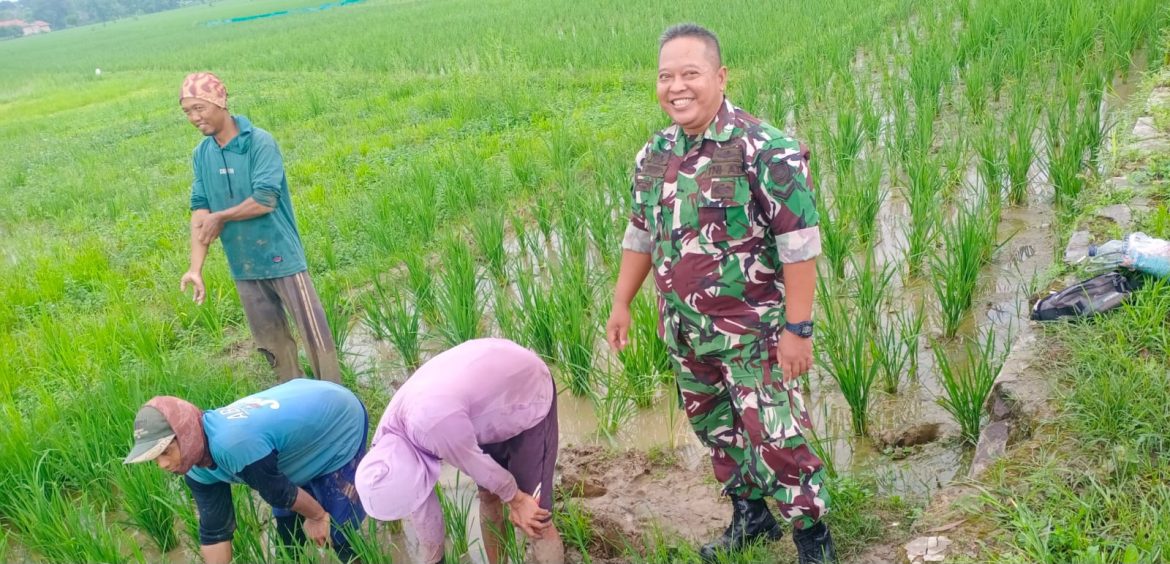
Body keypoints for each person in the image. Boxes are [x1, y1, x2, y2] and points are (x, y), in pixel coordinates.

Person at [604, 23, 836, 564]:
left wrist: (798, 330)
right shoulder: (655, 153)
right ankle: (751, 518)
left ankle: (812, 537)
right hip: (686, 332)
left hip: (753, 334)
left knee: (777, 436)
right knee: (716, 428)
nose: (676, 87)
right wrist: (621, 301)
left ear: (720, 76)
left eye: (690, 74)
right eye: (666, 76)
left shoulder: (764, 148)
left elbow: (800, 247)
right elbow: (641, 234)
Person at [177, 71, 341, 384]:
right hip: (244, 265)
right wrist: (195, 268)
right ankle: (298, 407)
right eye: (187, 112)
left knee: (316, 338)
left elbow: (265, 200)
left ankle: (340, 405)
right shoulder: (202, 154)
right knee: (274, 347)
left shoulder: (259, 143)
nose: (194, 117)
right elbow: (200, 212)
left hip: (282, 257)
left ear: (220, 102)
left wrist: (221, 217)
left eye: (200, 108)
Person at [355, 338, 564, 564]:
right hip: (476, 409)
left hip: (523, 389)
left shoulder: (433, 426)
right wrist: (434, 560)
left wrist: (518, 500)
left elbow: (480, 467)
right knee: (489, 497)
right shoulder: (386, 451)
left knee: (536, 518)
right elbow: (423, 509)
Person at [123, 379, 368, 563]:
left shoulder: (232, 444)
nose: (163, 465)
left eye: (166, 451)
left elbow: (280, 493)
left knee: (339, 531)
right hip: (291, 439)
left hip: (337, 419)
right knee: (289, 536)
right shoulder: (195, 467)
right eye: (156, 458)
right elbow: (214, 530)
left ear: (185, 433)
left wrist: (317, 516)